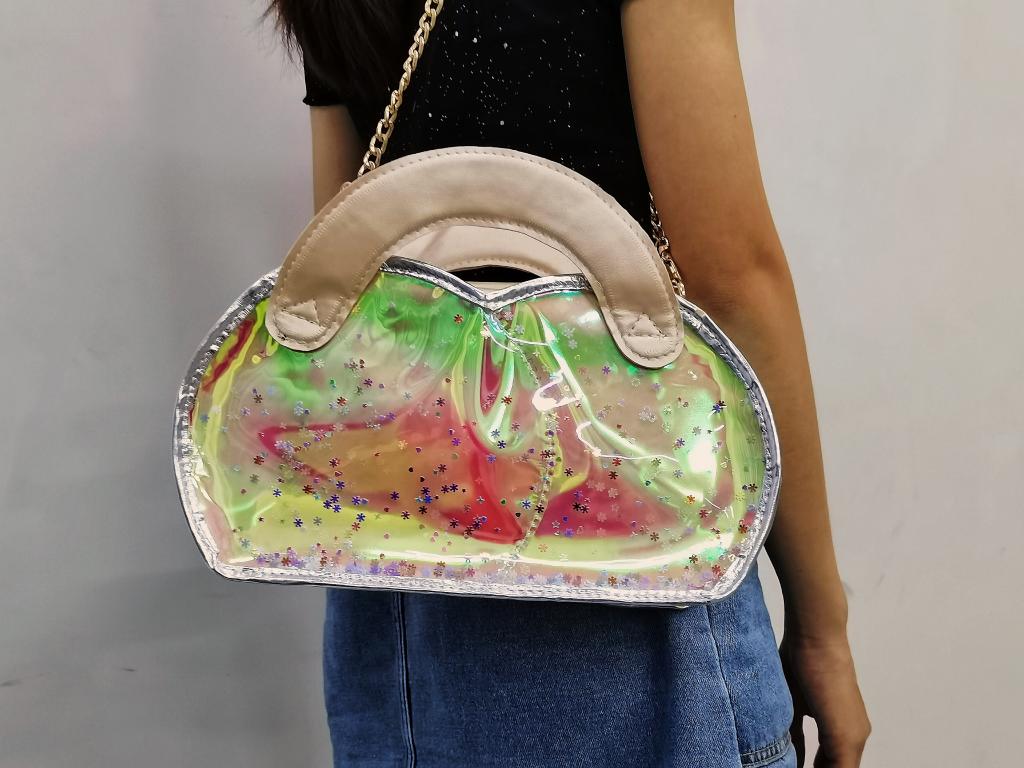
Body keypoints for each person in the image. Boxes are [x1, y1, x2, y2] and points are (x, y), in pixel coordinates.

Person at [264, 1, 870, 766]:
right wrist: (821, 626)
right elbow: (731, 282)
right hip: (625, 566)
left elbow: (352, 268)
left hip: (399, 591)